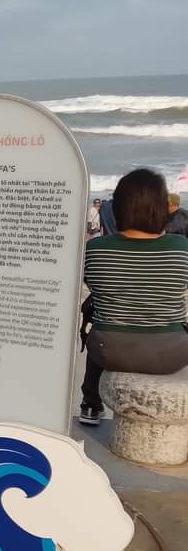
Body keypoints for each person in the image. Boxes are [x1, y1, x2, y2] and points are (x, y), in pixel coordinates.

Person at [79, 168, 188, 425]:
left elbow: (91, 283)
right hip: (171, 353)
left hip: (110, 351)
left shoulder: (95, 250)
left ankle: (91, 405)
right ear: (163, 208)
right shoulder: (182, 248)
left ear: (118, 208)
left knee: (100, 334)